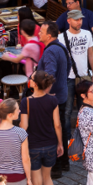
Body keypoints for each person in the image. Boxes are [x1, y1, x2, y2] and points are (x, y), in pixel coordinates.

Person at [19, 72, 62, 185]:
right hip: (50, 144)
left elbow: (24, 127)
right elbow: (57, 124)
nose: (29, 80)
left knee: (36, 182)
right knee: (47, 178)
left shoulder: (26, 102)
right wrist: (60, 143)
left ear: (35, 84)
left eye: (31, 78)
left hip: (33, 146)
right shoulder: (52, 100)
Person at [36, 22, 69, 176]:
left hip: (52, 97)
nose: (39, 34)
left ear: (49, 35)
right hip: (61, 94)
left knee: (53, 131)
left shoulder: (50, 51)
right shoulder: (60, 47)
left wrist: (44, 96)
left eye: (41, 32)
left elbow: (50, 75)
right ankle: (64, 163)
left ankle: (55, 167)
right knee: (61, 128)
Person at [59, 9, 93, 130]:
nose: (79, 22)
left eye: (80, 19)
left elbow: (91, 55)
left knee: (86, 109)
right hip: (68, 78)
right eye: (76, 20)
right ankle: (67, 139)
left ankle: (84, 135)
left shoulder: (87, 34)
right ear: (69, 21)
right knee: (67, 110)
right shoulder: (61, 37)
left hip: (84, 77)